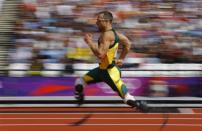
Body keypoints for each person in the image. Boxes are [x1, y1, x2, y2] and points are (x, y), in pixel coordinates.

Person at [74, 11, 142, 109]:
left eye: (98, 20)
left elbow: (100, 54)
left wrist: (89, 42)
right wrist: (121, 59)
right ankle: (80, 100)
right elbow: (128, 43)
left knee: (127, 98)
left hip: (110, 73)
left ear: (106, 21)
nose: (96, 22)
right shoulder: (116, 34)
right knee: (79, 82)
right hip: (101, 70)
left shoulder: (106, 36)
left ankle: (146, 109)